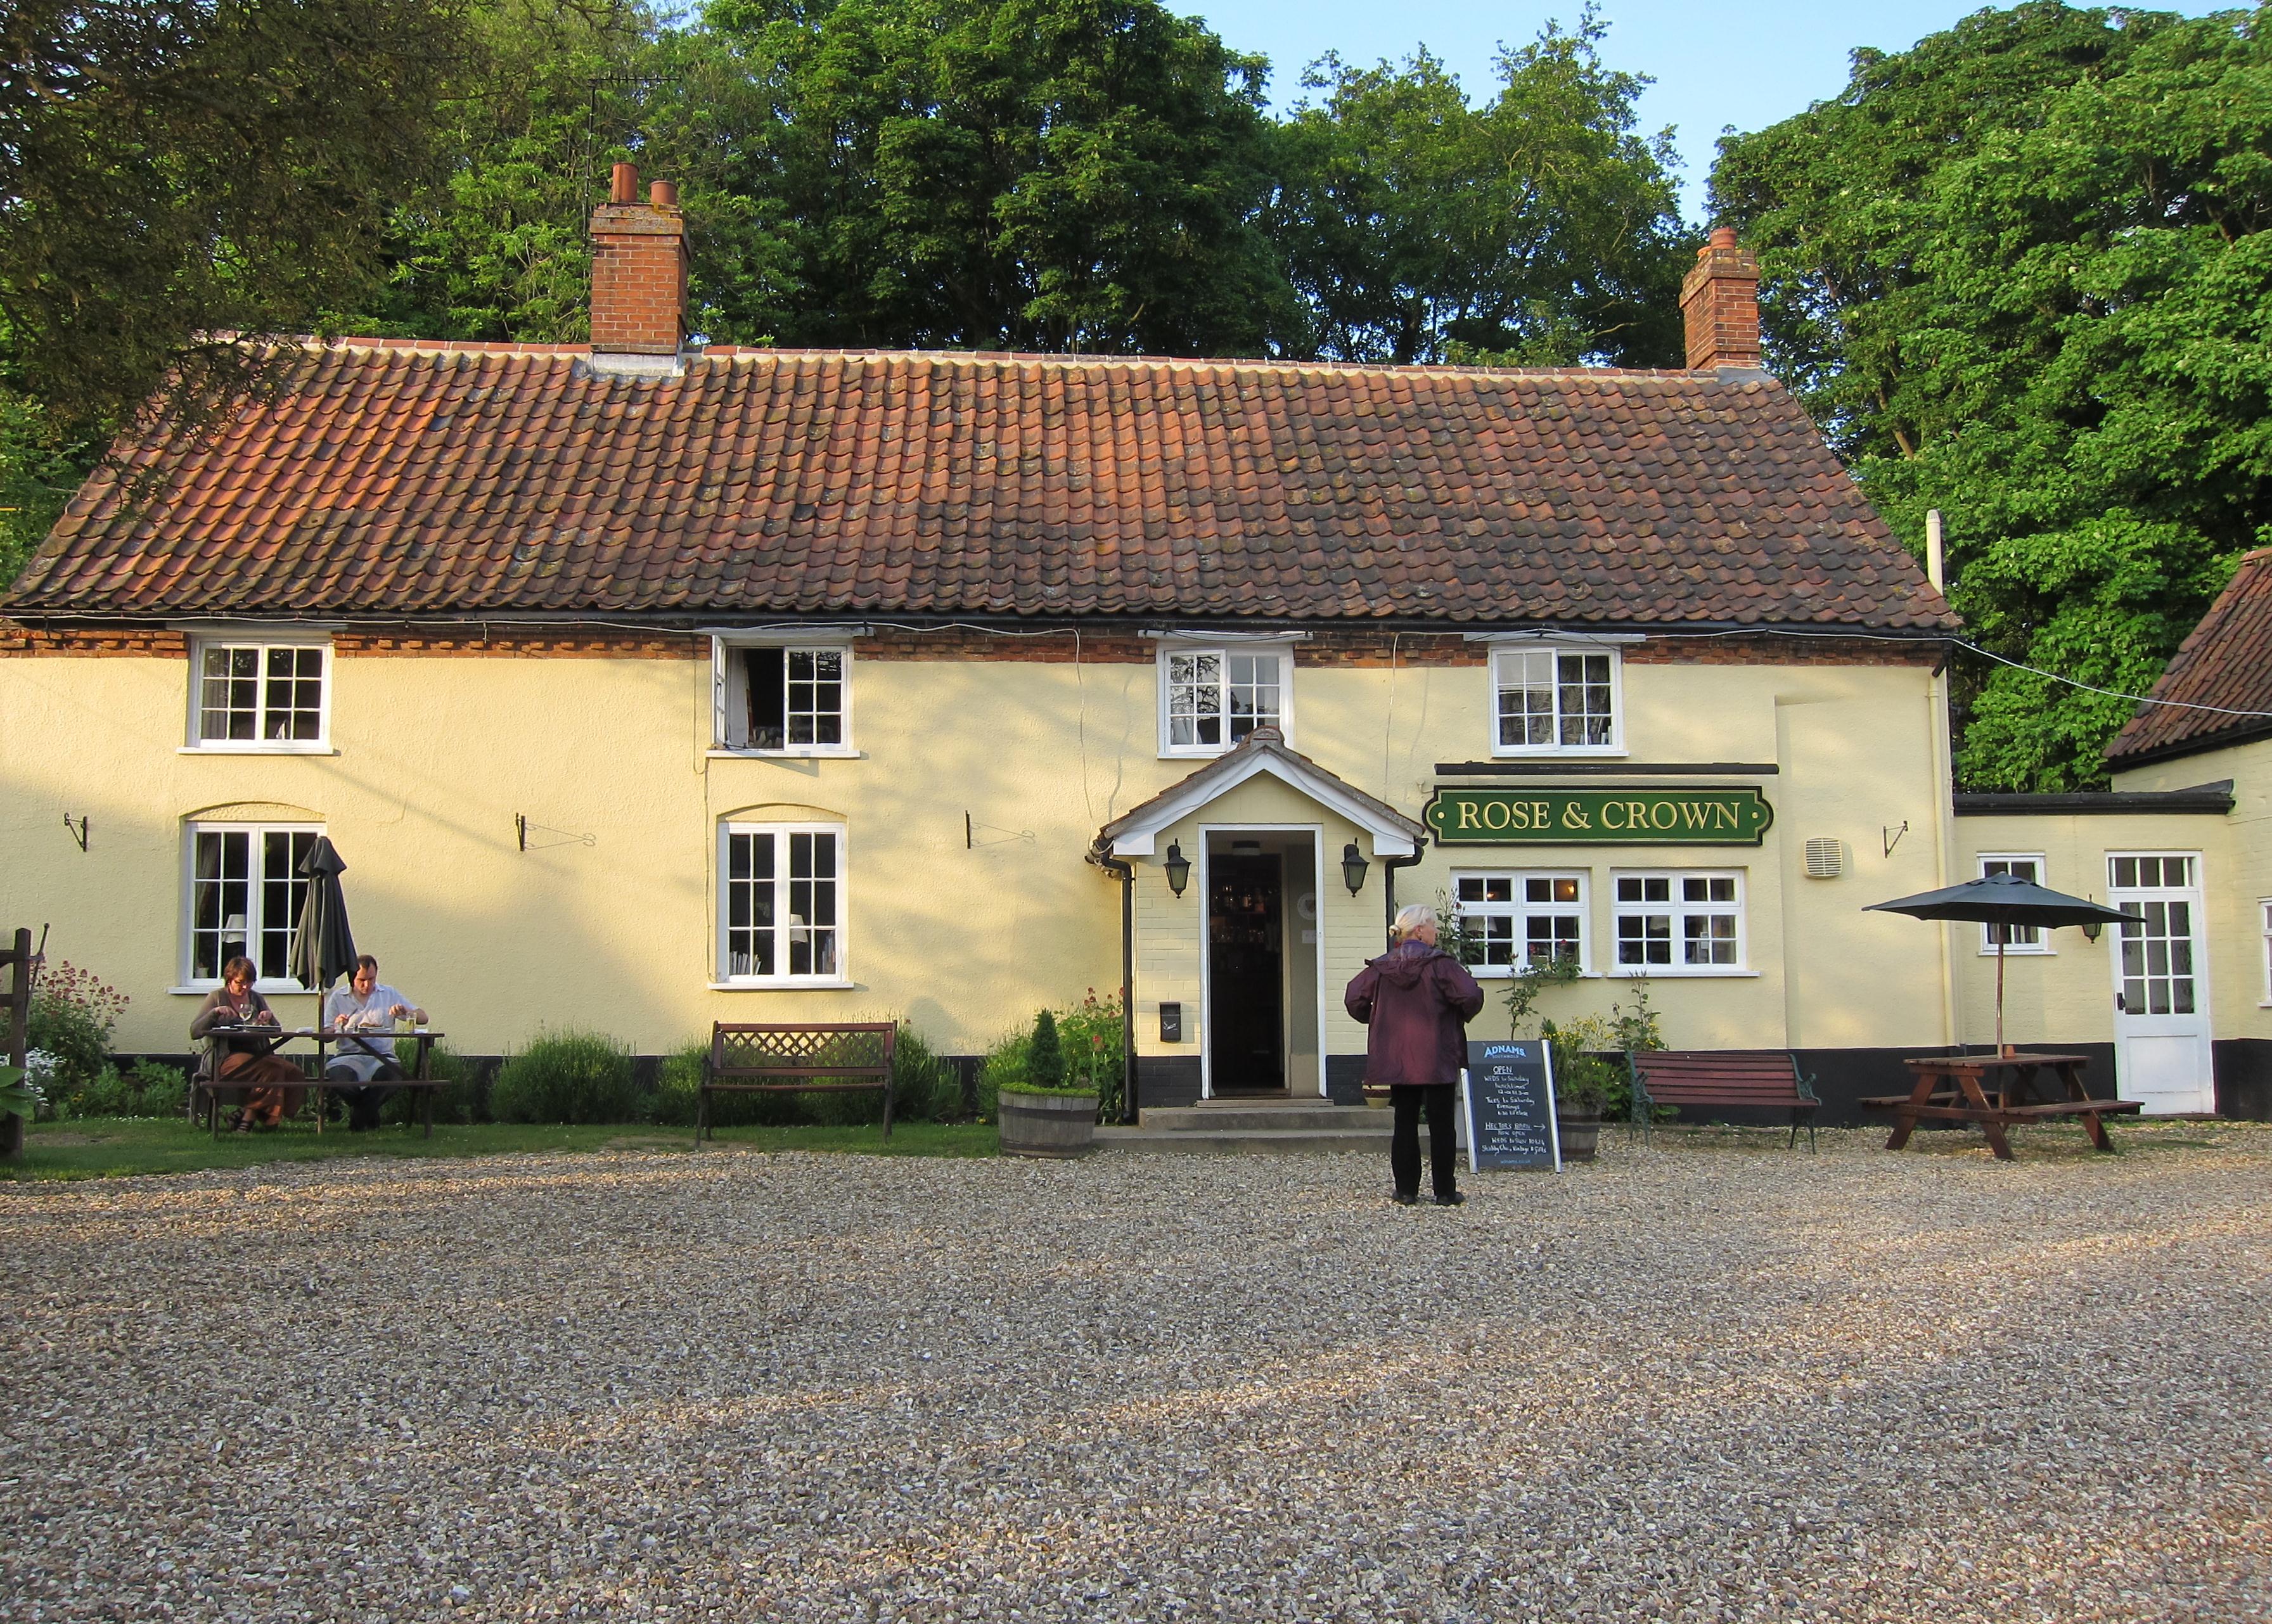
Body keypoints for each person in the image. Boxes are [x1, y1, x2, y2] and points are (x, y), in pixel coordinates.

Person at [1345, 903, 1484, 1207]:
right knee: (1442, 1123)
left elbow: (1354, 997)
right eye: (1434, 926)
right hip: (1437, 1054)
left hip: (1398, 1057)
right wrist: (1456, 1014)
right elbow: (1471, 995)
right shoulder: (1441, 965)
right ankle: (1445, 1192)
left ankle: (1406, 1191)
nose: (1437, 931)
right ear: (1420, 930)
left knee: (1404, 1121)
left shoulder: (1383, 966)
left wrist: (1378, 1020)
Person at [189, 956, 305, 1132]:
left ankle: (251, 1113)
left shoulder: (256, 999)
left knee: (294, 1073)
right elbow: (195, 1031)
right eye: (240, 982)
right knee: (271, 1071)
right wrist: (215, 1013)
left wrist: (269, 1018)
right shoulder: (217, 997)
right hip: (224, 1057)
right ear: (230, 979)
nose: (245, 987)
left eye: (249, 983)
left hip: (257, 1054)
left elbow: (276, 1031)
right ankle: (254, 1122)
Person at [323, 954, 427, 1132]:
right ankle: (369, 1117)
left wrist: (406, 1012)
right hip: (347, 1057)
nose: (367, 985)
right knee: (340, 1081)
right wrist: (335, 1026)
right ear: (352, 978)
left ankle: (358, 1123)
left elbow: (424, 1018)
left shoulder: (388, 994)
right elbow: (325, 1035)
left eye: (371, 979)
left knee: (392, 1078)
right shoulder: (338, 998)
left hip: (383, 1057)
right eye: (362, 980)